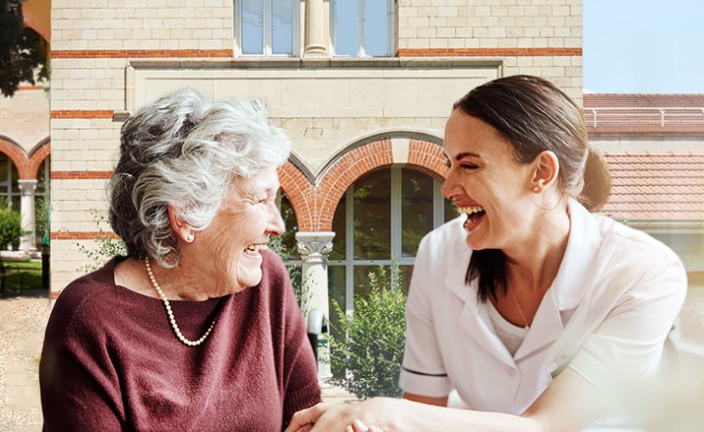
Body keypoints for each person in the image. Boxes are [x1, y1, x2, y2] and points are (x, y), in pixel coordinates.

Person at [286, 75, 687, 432]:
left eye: (469, 165)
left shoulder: (644, 274)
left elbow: (546, 425)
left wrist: (382, 412)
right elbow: (424, 415)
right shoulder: (439, 253)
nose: (448, 187)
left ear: (541, 173)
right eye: (449, 164)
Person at [39, 89, 321, 431]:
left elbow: (308, 419)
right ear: (187, 215)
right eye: (261, 200)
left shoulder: (266, 282)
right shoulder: (90, 321)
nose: (278, 226)